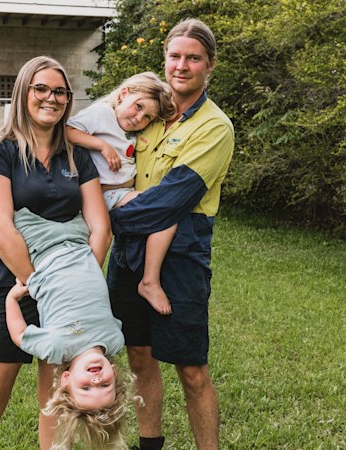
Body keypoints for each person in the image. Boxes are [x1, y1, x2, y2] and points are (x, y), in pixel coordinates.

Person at [0, 56, 112, 450]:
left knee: (55, 407)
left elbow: (101, 227)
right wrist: (39, 283)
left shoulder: (78, 157)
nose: (50, 98)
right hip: (10, 289)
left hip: (70, 301)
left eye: (59, 91)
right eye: (40, 88)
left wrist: (77, 284)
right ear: (22, 92)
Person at [106, 19, 235, 450]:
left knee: (191, 368)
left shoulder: (214, 128)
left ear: (209, 65)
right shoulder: (148, 113)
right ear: (165, 60)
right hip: (127, 254)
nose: (182, 66)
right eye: (175, 56)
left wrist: (101, 218)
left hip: (179, 255)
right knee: (139, 357)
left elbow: (168, 203)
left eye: (193, 58)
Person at [3, 207, 132, 449]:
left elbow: (20, 335)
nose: (96, 379)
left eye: (85, 387)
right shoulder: (114, 339)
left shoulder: (57, 347)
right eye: (105, 385)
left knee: (6, 211)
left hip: (42, 245)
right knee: (62, 192)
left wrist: (12, 300)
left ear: (66, 379)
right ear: (113, 373)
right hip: (77, 237)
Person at [65, 72, 178, 315]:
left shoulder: (133, 130)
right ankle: (143, 282)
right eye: (138, 107)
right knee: (164, 213)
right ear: (124, 94)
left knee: (165, 213)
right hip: (104, 196)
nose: (139, 117)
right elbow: (67, 131)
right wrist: (101, 146)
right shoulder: (102, 113)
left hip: (123, 193)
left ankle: (147, 280)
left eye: (147, 116)